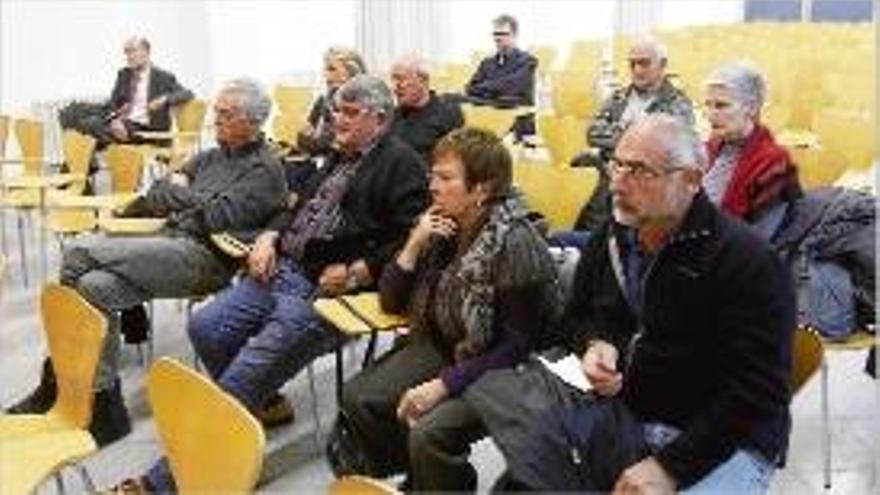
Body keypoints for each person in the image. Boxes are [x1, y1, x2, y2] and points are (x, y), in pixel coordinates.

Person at [107, 75, 429, 493]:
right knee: (205, 326)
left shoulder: (401, 164)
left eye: (350, 113)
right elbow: (294, 210)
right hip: (283, 269)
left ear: (381, 120)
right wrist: (269, 235)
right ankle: (260, 406)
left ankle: (161, 482)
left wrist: (360, 270)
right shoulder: (337, 156)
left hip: (327, 290)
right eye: (337, 110)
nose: (337, 120)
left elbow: (410, 238)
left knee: (245, 372)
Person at [467, 114, 795, 493]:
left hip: (725, 438)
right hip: (628, 415)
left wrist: (671, 468)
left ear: (690, 180)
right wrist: (595, 343)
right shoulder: (612, 238)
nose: (618, 182)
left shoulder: (747, 261)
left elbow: (758, 394)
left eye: (639, 170)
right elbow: (573, 320)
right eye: (617, 165)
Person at [4, 78, 287, 448]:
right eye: (216, 111)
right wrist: (183, 193)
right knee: (93, 288)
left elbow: (213, 217)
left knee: (76, 256)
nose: (215, 119)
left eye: (225, 114)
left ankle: (56, 380)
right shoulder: (213, 155)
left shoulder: (264, 169)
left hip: (205, 258)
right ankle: (107, 406)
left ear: (253, 122)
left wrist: (181, 191)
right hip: (169, 239)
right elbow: (156, 194)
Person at [338, 127, 562, 491]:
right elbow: (391, 301)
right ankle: (420, 477)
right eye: (433, 175)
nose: (432, 186)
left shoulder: (515, 242)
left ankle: (437, 480)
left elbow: (517, 346)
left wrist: (445, 384)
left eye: (445, 178)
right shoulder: (444, 223)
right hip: (448, 341)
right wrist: (414, 243)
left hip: (505, 365)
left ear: (481, 189)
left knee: (428, 434)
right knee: (359, 398)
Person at [572, 37, 694, 234]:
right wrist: (636, 134)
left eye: (644, 63)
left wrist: (621, 136)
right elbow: (593, 132)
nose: (637, 70)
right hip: (608, 170)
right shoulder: (619, 97)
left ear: (662, 65)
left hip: (647, 176)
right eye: (632, 64)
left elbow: (664, 147)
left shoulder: (677, 103)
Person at [703, 61, 801, 231]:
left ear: (752, 108)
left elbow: (762, 240)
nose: (711, 114)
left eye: (721, 105)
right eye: (708, 104)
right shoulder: (706, 149)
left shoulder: (773, 163)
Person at [83, 36, 194, 147]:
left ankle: (117, 147)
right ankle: (113, 147)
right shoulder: (123, 74)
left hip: (148, 129)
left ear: (146, 52)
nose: (129, 56)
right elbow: (113, 103)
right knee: (89, 123)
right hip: (125, 123)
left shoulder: (163, 77)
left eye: (133, 51)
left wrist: (164, 99)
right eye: (127, 53)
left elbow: (187, 93)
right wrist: (115, 119)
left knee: (98, 135)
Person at [464, 14, 538, 139]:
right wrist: (496, 88)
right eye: (495, 34)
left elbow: (512, 87)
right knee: (453, 99)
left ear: (514, 35)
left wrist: (485, 88)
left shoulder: (528, 61)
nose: (498, 38)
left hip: (516, 120)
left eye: (503, 34)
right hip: (490, 115)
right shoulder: (487, 62)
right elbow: (470, 88)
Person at [294, 46, 367, 156]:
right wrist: (318, 142)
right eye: (325, 69)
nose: (325, 75)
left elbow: (340, 144)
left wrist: (317, 141)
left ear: (352, 72)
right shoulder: (323, 100)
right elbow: (301, 139)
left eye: (332, 69)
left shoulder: (364, 104)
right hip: (318, 163)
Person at [389, 55, 464, 161]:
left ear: (423, 80)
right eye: (393, 80)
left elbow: (454, 161)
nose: (395, 86)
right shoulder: (392, 115)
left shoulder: (448, 113)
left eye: (401, 79)